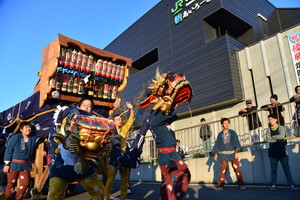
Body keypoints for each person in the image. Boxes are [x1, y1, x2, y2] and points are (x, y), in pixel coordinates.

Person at [47, 97, 105, 200]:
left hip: (83, 164)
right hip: (62, 163)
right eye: (84, 105)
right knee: (54, 195)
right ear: (78, 107)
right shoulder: (64, 118)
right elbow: (53, 138)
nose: (86, 108)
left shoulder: (94, 126)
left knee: (100, 192)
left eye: (89, 106)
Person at [104, 101, 134, 200]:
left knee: (125, 181)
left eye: (120, 119)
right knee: (110, 180)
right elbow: (106, 140)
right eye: (117, 119)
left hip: (123, 156)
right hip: (113, 157)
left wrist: (131, 109)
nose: (120, 120)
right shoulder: (109, 131)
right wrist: (115, 137)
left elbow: (130, 119)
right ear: (113, 122)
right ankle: (106, 197)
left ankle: (123, 198)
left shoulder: (124, 129)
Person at [3, 122, 36, 200]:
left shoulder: (33, 139)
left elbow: (37, 146)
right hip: (14, 164)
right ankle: (9, 198)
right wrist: (7, 164)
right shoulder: (15, 138)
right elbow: (9, 150)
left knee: (25, 183)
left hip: (25, 165)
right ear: (21, 130)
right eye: (26, 128)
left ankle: (17, 198)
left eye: (29, 127)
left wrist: (43, 150)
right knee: (11, 183)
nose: (28, 129)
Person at [212, 118, 246, 191]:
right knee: (223, 170)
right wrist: (216, 154)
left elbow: (236, 142)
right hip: (224, 154)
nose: (227, 125)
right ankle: (220, 185)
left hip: (233, 153)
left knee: (237, 169)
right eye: (225, 123)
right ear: (222, 125)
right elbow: (217, 144)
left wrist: (236, 152)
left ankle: (241, 184)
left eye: (228, 123)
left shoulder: (233, 132)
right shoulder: (220, 134)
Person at [266, 114, 296, 191]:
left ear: (276, 120)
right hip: (272, 152)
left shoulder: (281, 127)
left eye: (272, 119)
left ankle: (291, 184)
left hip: (282, 151)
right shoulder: (268, 130)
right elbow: (268, 140)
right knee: (273, 169)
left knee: (286, 168)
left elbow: (282, 136)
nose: (270, 121)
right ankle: (273, 184)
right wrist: (277, 138)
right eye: (269, 119)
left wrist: (273, 137)